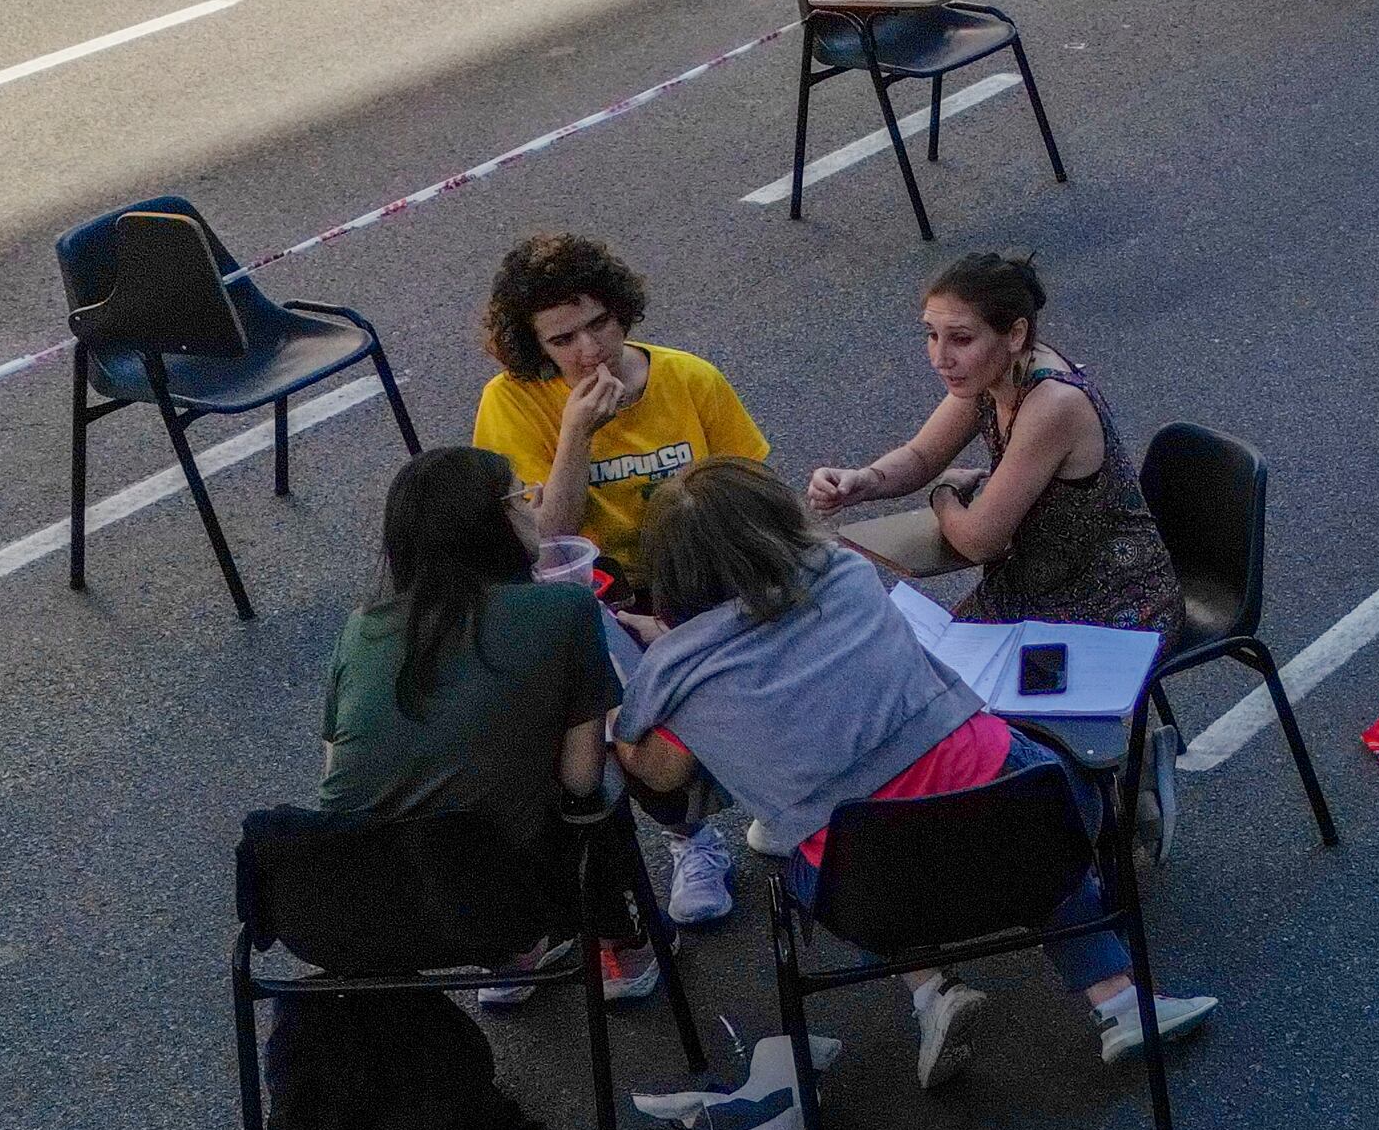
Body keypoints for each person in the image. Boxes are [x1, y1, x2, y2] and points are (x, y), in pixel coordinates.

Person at [612, 461, 1210, 1086]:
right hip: (1023, 827)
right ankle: (1119, 999)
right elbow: (770, 623)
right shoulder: (846, 578)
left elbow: (657, 772)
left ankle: (932, 993)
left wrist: (626, 703)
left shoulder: (678, 682)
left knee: (833, 845)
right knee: (1028, 826)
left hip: (871, 895)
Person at [320, 445, 652, 984]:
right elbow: (580, 777)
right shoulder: (564, 609)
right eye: (524, 497)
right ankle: (622, 950)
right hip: (503, 900)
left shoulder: (362, 627)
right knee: (600, 789)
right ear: (495, 523)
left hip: (362, 908)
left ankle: (512, 967)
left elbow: (339, 770)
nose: (533, 508)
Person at [803, 249, 1182, 629]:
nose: (940, 357)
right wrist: (863, 480)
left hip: (1109, 603)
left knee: (925, 675)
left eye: (961, 339)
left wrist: (944, 493)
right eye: (932, 335)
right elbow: (920, 457)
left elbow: (980, 540)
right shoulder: (993, 372)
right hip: (1038, 585)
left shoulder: (1053, 405)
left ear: (1015, 334)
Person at [470, 231, 768, 596]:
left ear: (621, 312)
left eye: (599, 324)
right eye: (563, 341)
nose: (591, 349)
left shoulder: (691, 377)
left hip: (707, 572)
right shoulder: (510, 401)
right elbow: (545, 544)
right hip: (595, 587)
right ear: (537, 347)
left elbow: (758, 500)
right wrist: (577, 434)